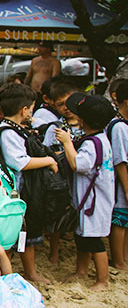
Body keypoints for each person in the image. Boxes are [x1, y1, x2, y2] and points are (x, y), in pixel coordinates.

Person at [0, 82, 59, 284]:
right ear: (24, 110)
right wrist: (49, 161)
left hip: (26, 190)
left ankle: (30, 273)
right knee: (10, 233)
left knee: (26, 232)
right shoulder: (7, 131)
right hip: (13, 190)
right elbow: (19, 162)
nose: (33, 113)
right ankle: (4, 273)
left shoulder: (18, 128)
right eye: (31, 109)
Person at [55, 93, 115, 291]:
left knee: (94, 241)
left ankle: (102, 280)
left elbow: (77, 164)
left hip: (94, 204)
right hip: (90, 202)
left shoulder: (92, 144)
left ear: (83, 120)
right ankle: (81, 272)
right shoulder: (99, 138)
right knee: (82, 237)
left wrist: (66, 142)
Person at [108, 82, 128, 270]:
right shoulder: (119, 126)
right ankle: (118, 260)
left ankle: (125, 258)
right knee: (120, 220)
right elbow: (120, 161)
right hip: (122, 182)